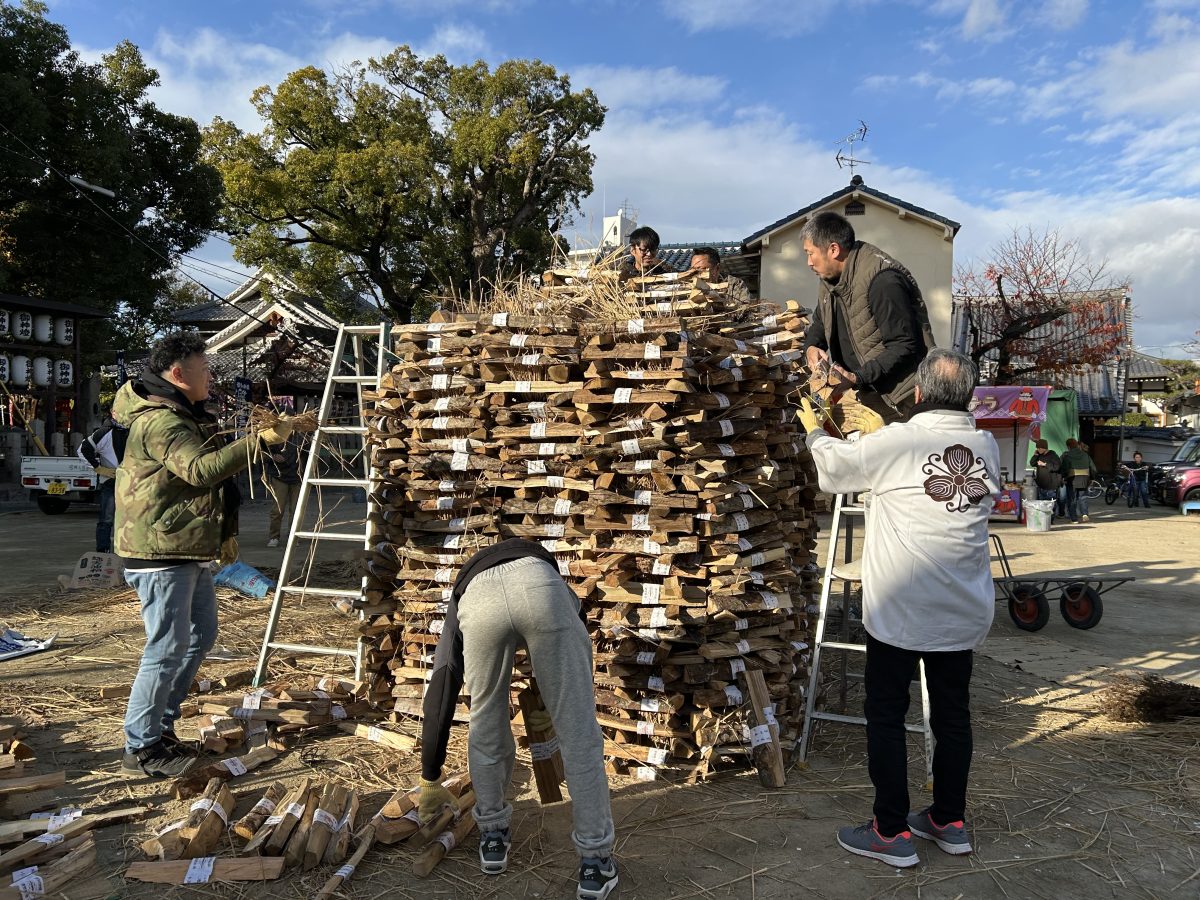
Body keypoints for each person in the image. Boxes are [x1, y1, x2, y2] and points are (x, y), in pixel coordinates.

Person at [798, 348, 1001, 868]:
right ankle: (948, 821)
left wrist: (816, 430)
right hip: (961, 607)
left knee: (886, 714)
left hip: (903, 608)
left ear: (916, 393)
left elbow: (837, 471)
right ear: (969, 397)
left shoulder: (898, 440)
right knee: (953, 716)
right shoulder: (986, 445)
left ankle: (891, 831)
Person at [113, 331, 291, 778]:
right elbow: (199, 469)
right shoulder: (161, 422)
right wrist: (257, 441)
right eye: (205, 368)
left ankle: (161, 727)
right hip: (160, 550)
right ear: (178, 373)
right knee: (167, 645)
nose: (211, 376)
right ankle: (140, 746)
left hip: (183, 545)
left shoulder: (183, 412)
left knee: (200, 633)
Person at [417, 539, 617, 900]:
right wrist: (555, 706)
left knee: (486, 723)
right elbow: (574, 639)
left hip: (480, 603)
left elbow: (444, 682)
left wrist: (430, 775)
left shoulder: (464, 591)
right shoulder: (547, 573)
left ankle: (493, 838)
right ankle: (595, 862)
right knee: (578, 734)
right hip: (542, 590)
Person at [800, 211, 936, 423]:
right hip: (865, 394)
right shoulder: (829, 279)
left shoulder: (883, 281)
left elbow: (904, 345)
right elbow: (821, 319)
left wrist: (856, 377)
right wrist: (811, 346)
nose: (809, 262)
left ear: (833, 249)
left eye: (811, 253)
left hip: (901, 399)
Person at [77, 409, 128, 553]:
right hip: (110, 483)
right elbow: (83, 449)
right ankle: (103, 553)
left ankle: (128, 553)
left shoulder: (138, 429)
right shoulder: (104, 433)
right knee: (107, 519)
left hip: (135, 484)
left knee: (132, 521)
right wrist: (98, 468)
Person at [267, 419, 303, 548]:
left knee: (296, 510)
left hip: (297, 476)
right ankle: (274, 536)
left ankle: (293, 536)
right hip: (279, 476)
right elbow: (263, 451)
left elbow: (307, 452)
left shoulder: (300, 436)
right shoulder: (273, 434)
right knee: (278, 509)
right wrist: (273, 456)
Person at [1059, 439, 1096, 523]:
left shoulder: (1067, 455)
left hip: (1072, 480)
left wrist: (1063, 477)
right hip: (1084, 479)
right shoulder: (1085, 455)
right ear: (1077, 445)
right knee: (1083, 497)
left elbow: (1064, 468)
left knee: (1072, 499)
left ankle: (1074, 519)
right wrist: (1091, 478)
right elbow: (1093, 468)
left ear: (1068, 446)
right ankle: (1085, 514)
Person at [1028, 439, 1062, 512]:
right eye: (1037, 448)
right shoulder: (1039, 455)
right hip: (1041, 485)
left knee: (1050, 505)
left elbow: (1057, 467)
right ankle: (1043, 520)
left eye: (1039, 448)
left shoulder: (1053, 455)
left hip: (1051, 486)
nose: (1038, 449)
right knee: (1042, 505)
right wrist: (1035, 455)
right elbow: (1032, 463)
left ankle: (1050, 521)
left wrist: (1045, 464)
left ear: (1044, 447)